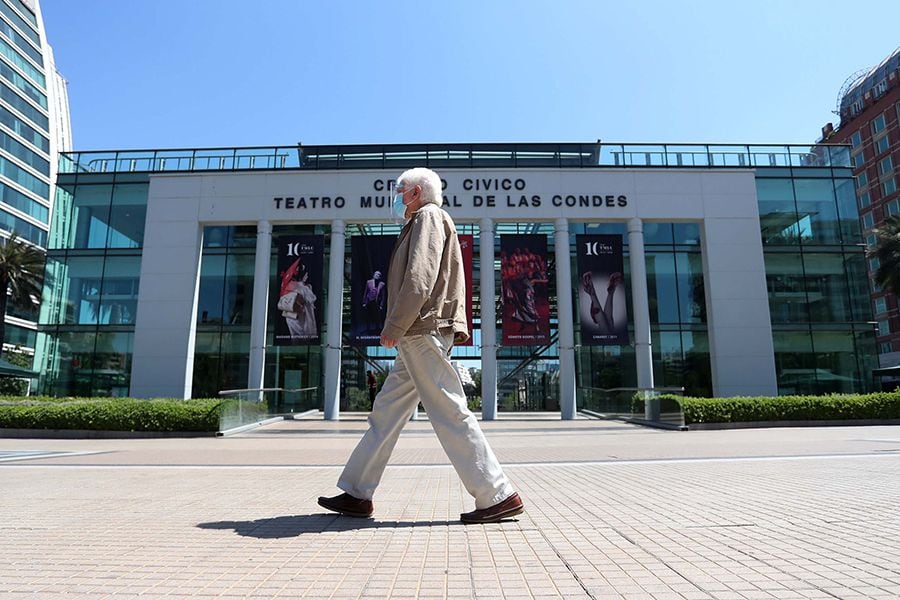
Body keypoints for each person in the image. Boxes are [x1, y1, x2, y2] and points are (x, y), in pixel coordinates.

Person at [318, 167, 524, 524]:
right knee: (386, 413)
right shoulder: (420, 221)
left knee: (448, 408)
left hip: (421, 328)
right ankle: (356, 492)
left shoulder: (429, 216)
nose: (397, 199)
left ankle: (496, 494)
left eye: (400, 192)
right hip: (420, 330)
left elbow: (420, 275)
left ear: (415, 192)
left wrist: (395, 325)